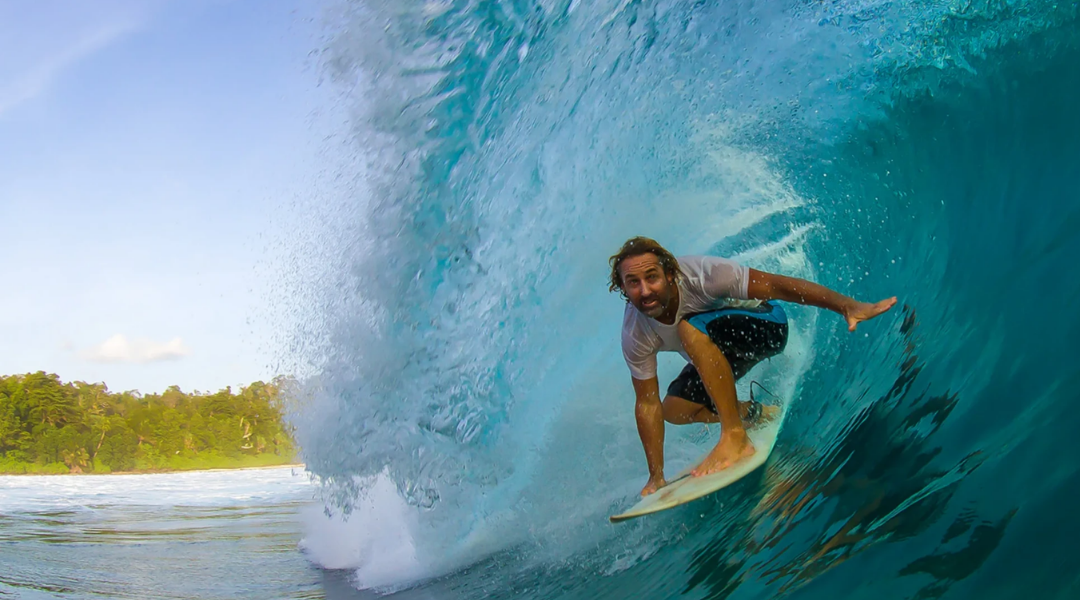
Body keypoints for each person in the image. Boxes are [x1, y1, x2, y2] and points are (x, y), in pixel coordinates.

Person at [609, 236, 896, 497]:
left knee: (687, 330)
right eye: (633, 282)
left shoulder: (703, 275)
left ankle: (734, 435)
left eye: (652, 277)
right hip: (721, 355)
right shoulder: (635, 332)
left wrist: (846, 306)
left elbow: (776, 286)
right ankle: (757, 414)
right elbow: (647, 404)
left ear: (670, 275)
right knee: (673, 408)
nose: (644, 290)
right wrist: (656, 477)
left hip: (766, 327)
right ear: (623, 288)